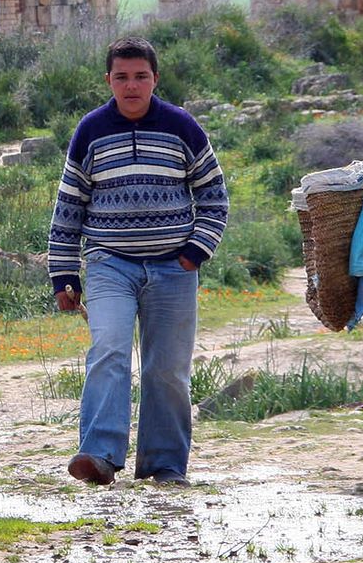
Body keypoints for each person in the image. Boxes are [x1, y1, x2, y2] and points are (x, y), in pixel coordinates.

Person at [47, 36, 229, 486]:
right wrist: (64, 275)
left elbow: (214, 197)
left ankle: (164, 465)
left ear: (155, 79)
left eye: (140, 77)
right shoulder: (90, 130)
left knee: (166, 368)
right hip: (110, 263)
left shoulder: (182, 127)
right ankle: (99, 456)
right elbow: (69, 207)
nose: (131, 86)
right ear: (108, 80)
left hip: (173, 268)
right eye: (122, 77)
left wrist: (194, 253)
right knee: (108, 350)